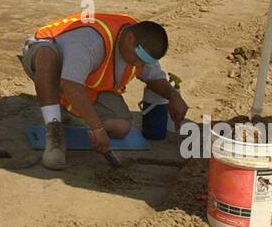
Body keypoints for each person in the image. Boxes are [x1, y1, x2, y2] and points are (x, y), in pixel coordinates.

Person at [20, 11, 188, 170]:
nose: (138, 64)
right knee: (46, 54)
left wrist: (173, 95)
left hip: (82, 81)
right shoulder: (91, 40)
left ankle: (65, 109)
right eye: (138, 59)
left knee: (121, 127)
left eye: (144, 62)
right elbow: (70, 84)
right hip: (46, 52)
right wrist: (97, 128)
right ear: (129, 38)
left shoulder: (142, 47)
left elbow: (154, 77)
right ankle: (54, 131)